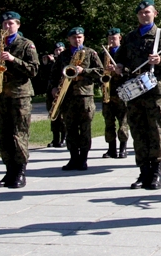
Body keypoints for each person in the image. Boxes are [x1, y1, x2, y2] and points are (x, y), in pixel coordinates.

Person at [113, 0, 161, 190]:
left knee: (155, 131)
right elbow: (122, 59)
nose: (144, 15)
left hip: (154, 91)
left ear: (155, 13)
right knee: (138, 131)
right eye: (141, 13)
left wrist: (160, 59)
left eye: (148, 12)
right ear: (137, 15)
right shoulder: (130, 37)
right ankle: (143, 171)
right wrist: (119, 67)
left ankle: (156, 172)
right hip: (134, 91)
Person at [0, 12, 39, 189]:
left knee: (19, 134)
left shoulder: (26, 44)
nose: (7, 27)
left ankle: (20, 172)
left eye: (10, 24)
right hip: (1, 95)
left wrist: (13, 59)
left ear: (18, 25)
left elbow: (33, 69)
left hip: (20, 95)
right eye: (4, 24)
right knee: (4, 135)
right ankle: (9, 171)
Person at [50, 27, 103, 171]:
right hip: (67, 97)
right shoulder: (64, 55)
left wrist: (84, 71)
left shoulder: (90, 53)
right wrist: (54, 88)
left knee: (85, 128)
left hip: (84, 96)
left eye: (79, 37)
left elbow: (100, 72)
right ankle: (73, 158)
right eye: (74, 37)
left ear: (83, 38)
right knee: (70, 128)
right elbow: (54, 74)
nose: (77, 39)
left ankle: (83, 159)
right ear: (69, 39)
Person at [102, 28, 129, 158]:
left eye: (114, 38)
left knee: (123, 121)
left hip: (122, 91)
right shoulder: (105, 53)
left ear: (120, 38)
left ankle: (123, 148)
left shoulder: (125, 53)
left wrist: (118, 70)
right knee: (108, 122)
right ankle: (111, 148)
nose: (112, 41)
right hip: (108, 91)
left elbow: (130, 71)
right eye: (110, 38)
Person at [41, 42, 66, 148]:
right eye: (56, 50)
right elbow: (44, 77)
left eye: (60, 50)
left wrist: (54, 61)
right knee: (53, 115)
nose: (58, 52)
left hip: (63, 91)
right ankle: (55, 138)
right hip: (51, 91)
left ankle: (64, 138)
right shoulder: (51, 63)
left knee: (63, 116)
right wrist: (47, 64)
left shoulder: (65, 60)